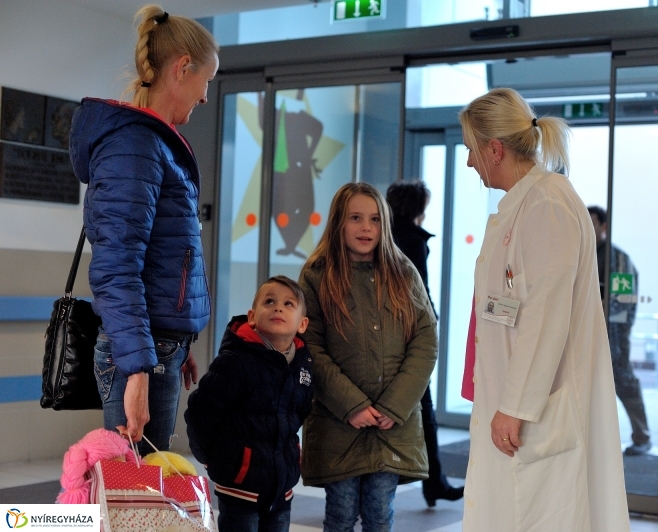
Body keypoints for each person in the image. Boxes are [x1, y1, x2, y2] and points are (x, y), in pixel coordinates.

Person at [458, 88, 629, 531]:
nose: (470, 163)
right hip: (520, 397)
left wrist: (514, 406)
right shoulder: (525, 204)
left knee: (539, 513)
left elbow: (545, 315)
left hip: (536, 409)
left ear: (494, 150)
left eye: (472, 151)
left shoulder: (547, 203)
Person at [69, 4, 218, 453]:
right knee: (134, 504)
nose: (206, 96)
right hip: (138, 354)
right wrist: (137, 371)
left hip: (154, 347)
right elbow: (116, 267)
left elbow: (163, 258)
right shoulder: (135, 146)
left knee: (143, 499)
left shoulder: (153, 144)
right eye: (206, 81)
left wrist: (179, 335)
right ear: (182, 68)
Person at [298, 182, 438, 532]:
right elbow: (310, 347)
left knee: (380, 514)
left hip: (393, 424)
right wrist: (351, 405)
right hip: (338, 424)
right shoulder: (316, 275)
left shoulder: (403, 272)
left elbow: (426, 339)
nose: (366, 228)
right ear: (338, 223)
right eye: (356, 218)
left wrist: (396, 404)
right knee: (341, 515)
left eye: (375, 219)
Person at [184, 276, 313, 532]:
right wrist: (211, 460)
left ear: (302, 324)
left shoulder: (302, 366)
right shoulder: (235, 362)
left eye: (288, 304)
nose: (278, 307)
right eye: (270, 301)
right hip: (239, 485)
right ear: (252, 316)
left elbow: (299, 414)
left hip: (281, 487)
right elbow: (201, 414)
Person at [385, 181, 464, 507]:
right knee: (424, 409)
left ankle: (430, 482)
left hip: (384, 334)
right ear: (417, 207)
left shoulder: (383, 237)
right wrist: (430, 323)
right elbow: (419, 293)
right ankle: (434, 482)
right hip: (408, 335)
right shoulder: (413, 242)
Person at [588, 205, 652, 456]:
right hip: (581, 337)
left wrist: (614, 339)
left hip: (612, 338)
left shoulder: (619, 260)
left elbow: (623, 305)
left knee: (625, 386)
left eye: (592, 223)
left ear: (603, 227)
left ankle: (642, 436)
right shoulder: (576, 254)